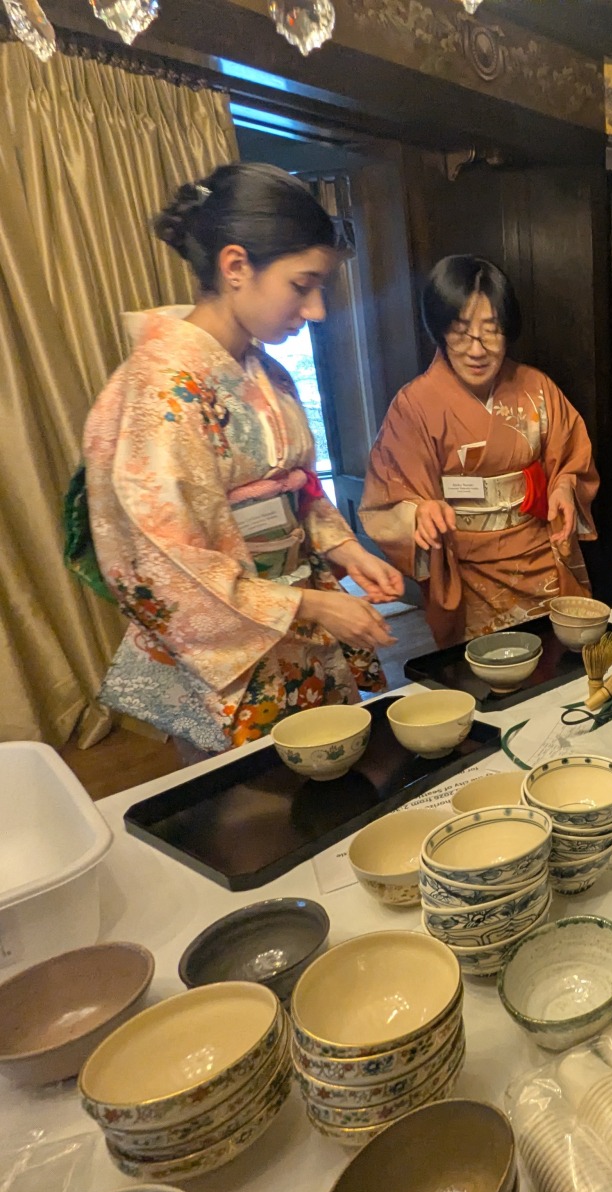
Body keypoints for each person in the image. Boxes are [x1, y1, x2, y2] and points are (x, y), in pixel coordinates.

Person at [82, 163, 403, 754]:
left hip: (298, 615)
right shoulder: (159, 392)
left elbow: (299, 487)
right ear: (235, 267)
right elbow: (162, 563)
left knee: (334, 765)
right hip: (234, 645)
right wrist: (309, 603)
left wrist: (346, 549)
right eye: (302, 285)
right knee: (258, 793)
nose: (316, 310)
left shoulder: (268, 373)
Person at [361, 256, 599, 646]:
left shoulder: (537, 388)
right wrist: (419, 512)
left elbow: (571, 456)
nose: (477, 349)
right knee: (480, 668)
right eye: (460, 332)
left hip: (539, 557)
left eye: (491, 332)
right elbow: (389, 496)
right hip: (464, 569)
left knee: (553, 657)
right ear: (439, 330)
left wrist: (563, 487)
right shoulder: (414, 406)